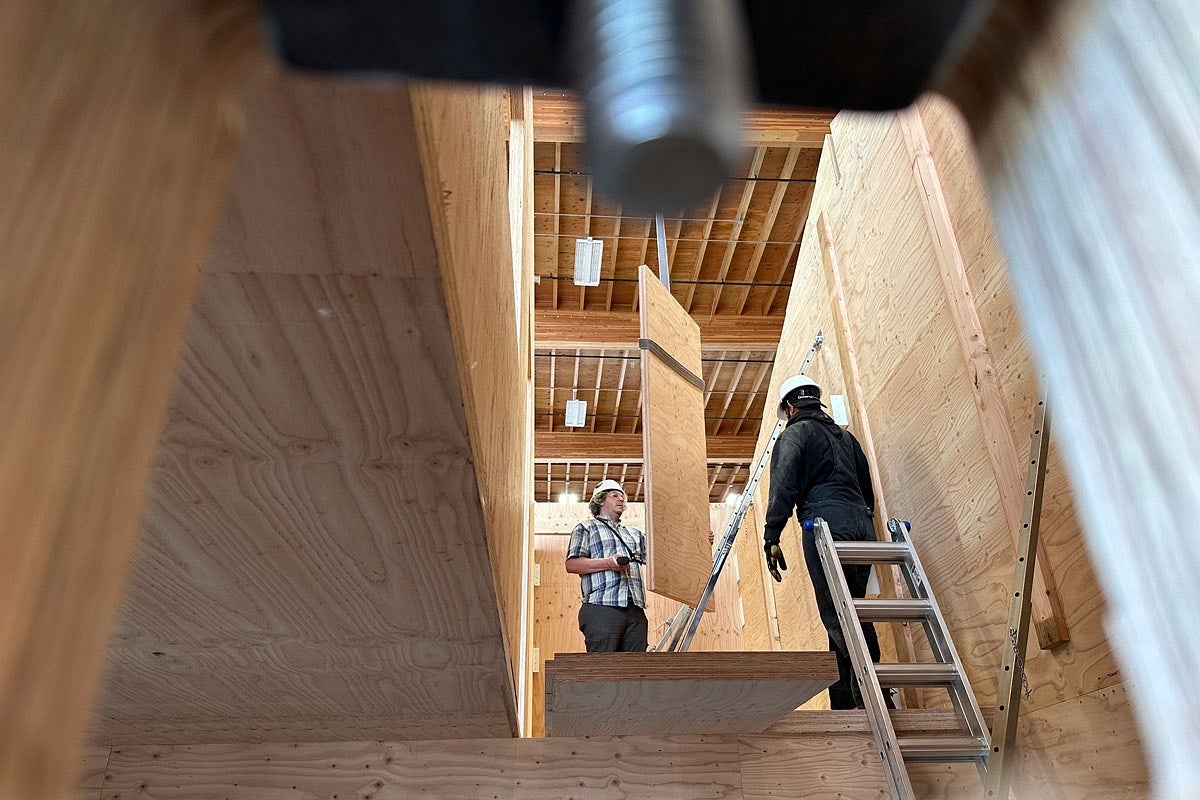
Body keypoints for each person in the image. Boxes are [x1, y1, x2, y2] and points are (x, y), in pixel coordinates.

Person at [762, 374, 884, 709]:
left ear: (789, 406)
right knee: (853, 608)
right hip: (860, 525)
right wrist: (863, 521)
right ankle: (845, 701)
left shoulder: (794, 434)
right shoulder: (847, 438)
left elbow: (783, 486)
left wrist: (772, 534)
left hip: (825, 524)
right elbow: (866, 489)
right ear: (816, 400)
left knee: (837, 613)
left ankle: (873, 689)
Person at [565, 479, 648, 652]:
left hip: (635, 608)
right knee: (603, 669)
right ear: (601, 500)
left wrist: (699, 542)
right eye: (614, 495)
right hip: (601, 606)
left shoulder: (635, 534)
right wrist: (608, 563)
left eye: (622, 496)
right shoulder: (586, 528)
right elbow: (571, 564)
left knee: (637, 671)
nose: (620, 499)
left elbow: (661, 558)